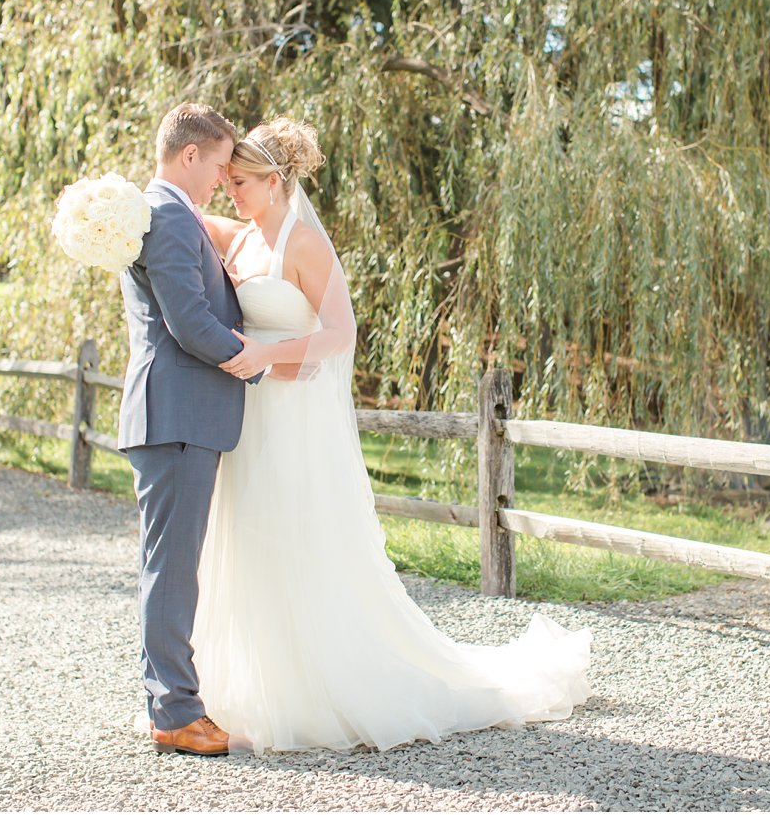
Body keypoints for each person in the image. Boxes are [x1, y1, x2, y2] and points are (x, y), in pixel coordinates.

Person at [190, 116, 591, 754]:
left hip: (291, 416)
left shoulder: (304, 246)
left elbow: (340, 334)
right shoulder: (237, 240)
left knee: (294, 536)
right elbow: (176, 207)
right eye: (228, 180)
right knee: (245, 536)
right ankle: (241, 689)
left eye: (239, 181)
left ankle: (313, 689)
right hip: (247, 415)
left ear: (274, 181)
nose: (229, 191)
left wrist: (270, 356)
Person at [117, 102, 264, 757]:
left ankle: (170, 700)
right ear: (189, 156)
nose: (219, 181)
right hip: (175, 414)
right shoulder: (170, 215)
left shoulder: (169, 213)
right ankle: (176, 711)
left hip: (175, 414)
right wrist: (256, 361)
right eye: (216, 165)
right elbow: (189, 322)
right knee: (173, 570)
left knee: (170, 566)